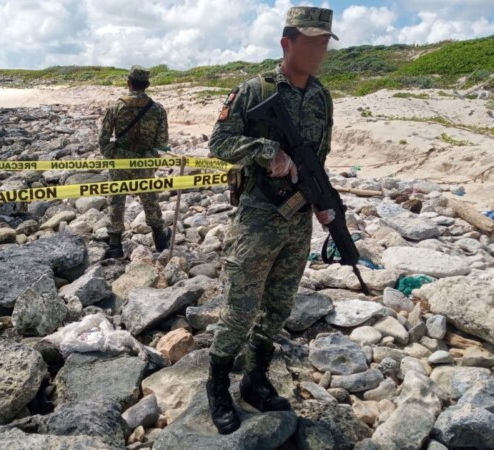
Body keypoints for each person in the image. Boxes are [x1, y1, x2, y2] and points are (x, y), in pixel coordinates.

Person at [205, 6, 338, 434]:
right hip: (258, 218)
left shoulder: (321, 97)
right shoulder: (253, 90)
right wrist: (267, 153)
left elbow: (317, 159)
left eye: (324, 43)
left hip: (298, 221)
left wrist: (322, 202)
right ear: (286, 43)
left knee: (278, 306)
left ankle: (255, 379)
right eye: (312, 43)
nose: (319, 51)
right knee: (239, 309)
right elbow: (219, 142)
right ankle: (217, 387)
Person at [98, 65, 172, 259]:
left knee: (116, 199)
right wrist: (151, 155)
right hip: (144, 160)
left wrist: (111, 154)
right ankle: (160, 239)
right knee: (150, 198)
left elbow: (103, 138)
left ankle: (115, 245)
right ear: (147, 85)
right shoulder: (157, 109)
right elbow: (162, 141)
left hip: (120, 159)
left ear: (128, 83)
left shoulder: (116, 106)